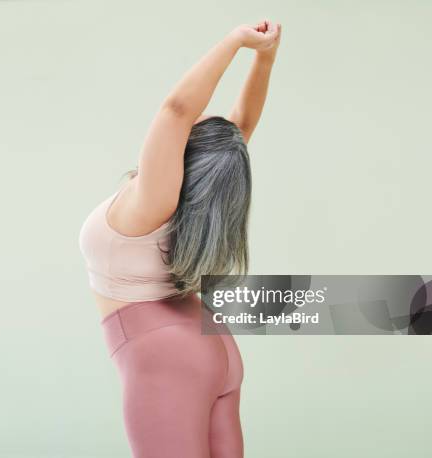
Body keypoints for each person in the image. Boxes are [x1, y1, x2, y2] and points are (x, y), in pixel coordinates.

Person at [79, 20, 281, 458]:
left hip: (166, 356)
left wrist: (237, 41)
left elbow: (176, 110)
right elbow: (240, 126)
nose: (210, 114)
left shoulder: (154, 199)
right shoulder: (197, 198)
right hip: (213, 345)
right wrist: (266, 57)